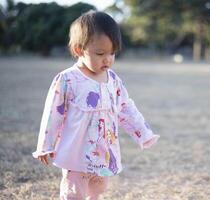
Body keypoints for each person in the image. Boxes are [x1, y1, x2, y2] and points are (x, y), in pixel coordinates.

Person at [32, 10, 160, 200]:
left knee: (98, 190)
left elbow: (126, 108)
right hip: (76, 154)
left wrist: (143, 133)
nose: (108, 59)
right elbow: (53, 114)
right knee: (74, 193)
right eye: (100, 53)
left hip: (104, 153)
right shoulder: (68, 80)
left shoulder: (113, 80)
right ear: (78, 50)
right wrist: (45, 144)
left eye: (112, 53)